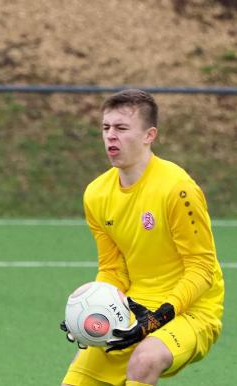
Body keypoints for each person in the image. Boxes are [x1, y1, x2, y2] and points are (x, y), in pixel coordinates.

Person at [60, 89, 224, 386]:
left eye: (122, 128)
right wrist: (90, 314)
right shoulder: (96, 194)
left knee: (145, 359)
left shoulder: (178, 189)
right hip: (135, 306)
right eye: (106, 127)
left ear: (150, 135)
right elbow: (112, 269)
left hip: (192, 310)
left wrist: (157, 318)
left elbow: (203, 268)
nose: (111, 136)